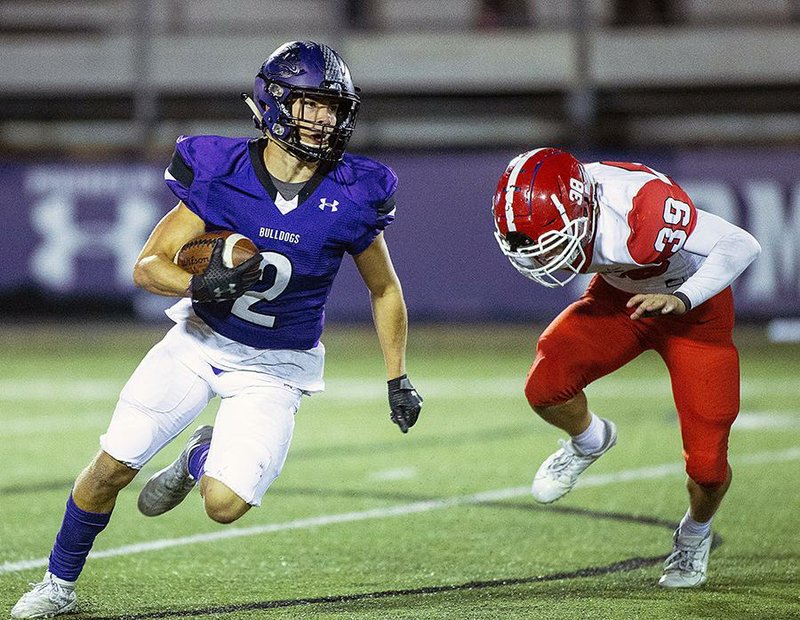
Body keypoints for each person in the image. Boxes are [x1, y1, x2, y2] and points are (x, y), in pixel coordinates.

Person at [11, 40, 423, 619]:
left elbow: (385, 289)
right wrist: (197, 287)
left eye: (333, 107)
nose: (324, 119)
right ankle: (57, 584)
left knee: (224, 506)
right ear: (274, 103)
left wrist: (397, 377)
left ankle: (198, 459)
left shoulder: (356, 191)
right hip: (199, 342)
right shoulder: (220, 170)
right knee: (112, 466)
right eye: (310, 104)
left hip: (276, 368)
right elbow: (149, 265)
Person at [491, 147, 760, 588]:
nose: (541, 256)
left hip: (695, 312)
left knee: (708, 466)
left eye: (552, 239)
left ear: (582, 207)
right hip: (621, 302)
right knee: (546, 385)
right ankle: (590, 440)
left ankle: (694, 536)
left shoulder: (641, 205)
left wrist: (683, 297)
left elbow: (742, 243)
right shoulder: (554, 204)